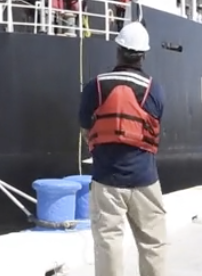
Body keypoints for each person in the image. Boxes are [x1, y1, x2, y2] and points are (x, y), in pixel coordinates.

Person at [78, 22, 167, 276]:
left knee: (109, 243)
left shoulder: (95, 86)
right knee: (153, 244)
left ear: (118, 49)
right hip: (145, 180)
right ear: (144, 55)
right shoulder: (155, 89)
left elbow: (85, 126)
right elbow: (155, 124)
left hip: (107, 179)